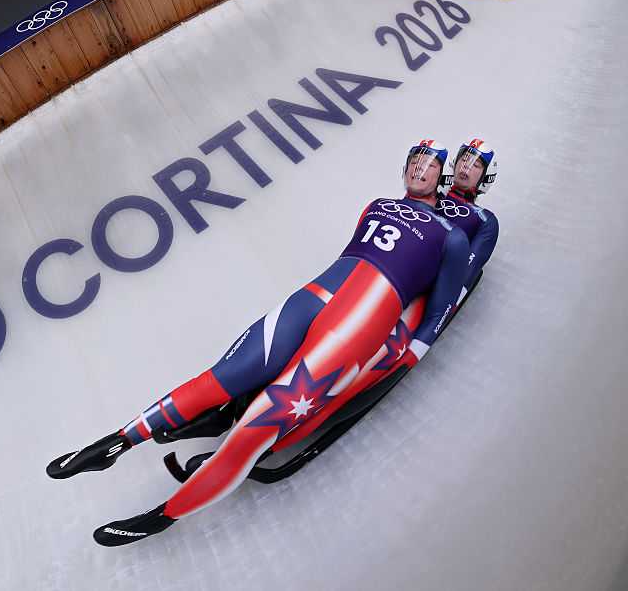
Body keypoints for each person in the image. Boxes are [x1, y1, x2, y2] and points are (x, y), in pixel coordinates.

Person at [46, 139, 470, 546]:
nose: (420, 168)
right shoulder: (377, 206)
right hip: (316, 295)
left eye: (430, 163)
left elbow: (439, 306)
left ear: (442, 175)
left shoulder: (452, 235)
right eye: (416, 159)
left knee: (266, 419)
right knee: (224, 374)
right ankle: (117, 441)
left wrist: (411, 354)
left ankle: (165, 514)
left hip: (360, 321)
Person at [436, 138, 499, 303]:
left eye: (476, 165)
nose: (466, 166)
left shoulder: (485, 219)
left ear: (486, 177)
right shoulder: (430, 191)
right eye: (464, 159)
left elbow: (465, 274)